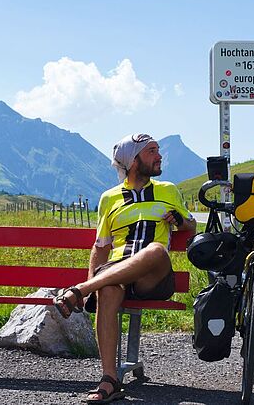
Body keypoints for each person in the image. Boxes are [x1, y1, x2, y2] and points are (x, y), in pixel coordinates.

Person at [53, 133, 196, 404]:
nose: (159, 156)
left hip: (153, 275)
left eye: (157, 150)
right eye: (152, 151)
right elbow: (101, 246)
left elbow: (191, 226)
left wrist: (178, 219)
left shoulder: (168, 190)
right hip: (115, 268)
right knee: (107, 289)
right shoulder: (109, 198)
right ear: (133, 161)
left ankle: (79, 290)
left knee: (155, 249)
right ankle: (109, 379)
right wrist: (94, 282)